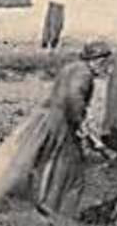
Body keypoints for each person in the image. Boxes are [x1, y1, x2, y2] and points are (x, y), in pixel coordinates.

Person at [30, 42, 108, 217]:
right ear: (94, 60)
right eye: (103, 62)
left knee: (53, 162)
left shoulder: (71, 68)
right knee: (73, 170)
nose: (104, 67)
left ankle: (46, 204)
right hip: (65, 123)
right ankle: (60, 213)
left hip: (51, 119)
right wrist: (82, 127)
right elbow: (74, 98)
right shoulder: (84, 74)